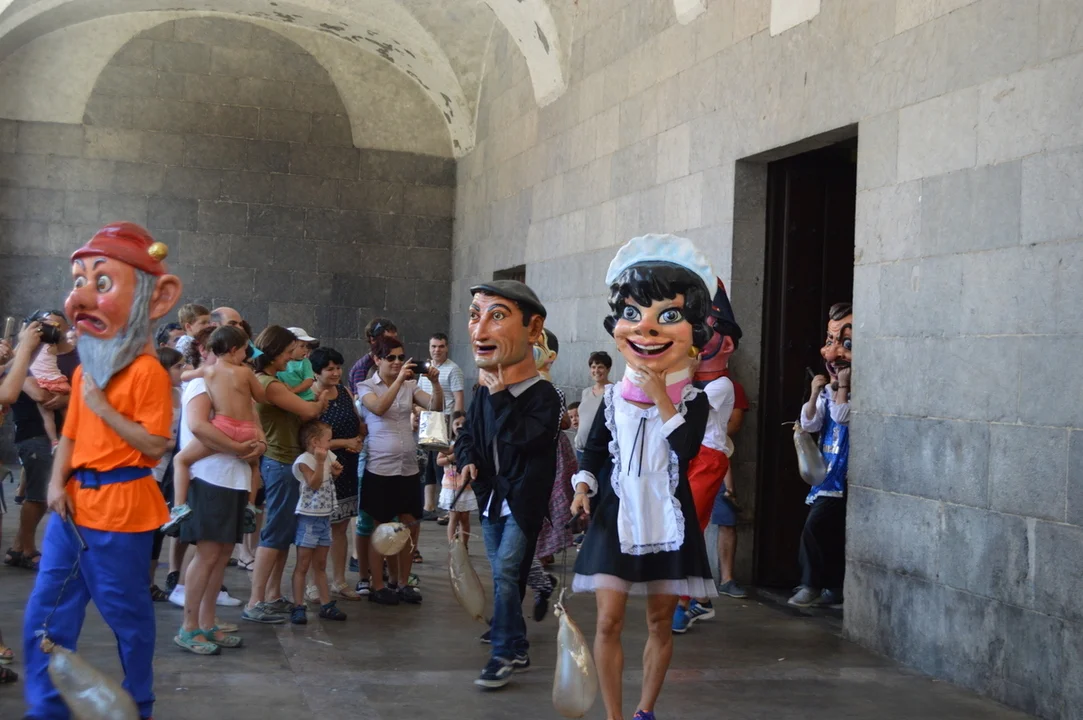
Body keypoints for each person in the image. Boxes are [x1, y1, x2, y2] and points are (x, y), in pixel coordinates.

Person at [21, 222, 181, 720]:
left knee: (128, 618)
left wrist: (104, 409)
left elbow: (155, 444)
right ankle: (47, 709)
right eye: (79, 281)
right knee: (45, 614)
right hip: (72, 507)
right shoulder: (86, 369)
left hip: (121, 510)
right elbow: (70, 435)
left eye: (102, 281)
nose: (82, 296)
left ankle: (139, 705)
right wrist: (55, 484)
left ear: (157, 298)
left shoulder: (147, 373)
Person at [569, 234, 717, 720]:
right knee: (607, 622)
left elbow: (686, 449)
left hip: (669, 518)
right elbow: (594, 448)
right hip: (616, 513)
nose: (646, 327)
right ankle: (614, 715)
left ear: (694, 331)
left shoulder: (694, 400)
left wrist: (660, 397)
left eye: (668, 316)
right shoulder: (612, 396)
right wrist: (583, 486)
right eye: (632, 313)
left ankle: (644, 711)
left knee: (659, 622)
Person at [455, 279, 563, 690]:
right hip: (491, 496)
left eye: (496, 316)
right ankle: (515, 642)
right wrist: (467, 460)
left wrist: (501, 396)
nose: (480, 331)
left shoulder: (544, 396)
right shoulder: (483, 392)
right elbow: (468, 435)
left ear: (533, 329)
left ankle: (502, 651)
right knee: (507, 573)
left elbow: (527, 438)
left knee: (504, 570)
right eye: (474, 316)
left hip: (522, 500)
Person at [174, 333, 265, 654]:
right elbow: (199, 427)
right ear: (204, 349)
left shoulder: (235, 377)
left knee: (222, 555)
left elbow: (253, 419)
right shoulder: (203, 381)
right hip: (210, 478)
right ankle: (189, 626)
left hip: (235, 479)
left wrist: (258, 446)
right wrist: (239, 448)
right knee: (208, 554)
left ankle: (207, 621)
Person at [242, 326, 330, 624]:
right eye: (288, 352)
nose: (292, 358)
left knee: (282, 534)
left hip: (285, 461)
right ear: (274, 353)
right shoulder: (269, 384)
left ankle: (272, 595)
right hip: (279, 462)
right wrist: (320, 401)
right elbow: (308, 411)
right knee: (274, 533)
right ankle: (256, 600)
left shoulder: (272, 381)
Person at [672, 278, 742, 633]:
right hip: (689, 456)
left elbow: (687, 409)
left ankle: (684, 602)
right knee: (687, 527)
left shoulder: (721, 385)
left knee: (688, 528)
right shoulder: (695, 381)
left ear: (725, 344)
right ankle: (699, 598)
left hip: (708, 458)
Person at [356, 335, 443, 605]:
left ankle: (403, 582)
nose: (396, 362)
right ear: (377, 359)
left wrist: (435, 383)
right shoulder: (365, 386)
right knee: (380, 528)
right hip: (380, 467)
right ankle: (377, 585)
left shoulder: (410, 385)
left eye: (400, 357)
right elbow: (379, 408)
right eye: (390, 358)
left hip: (407, 467)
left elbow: (435, 407)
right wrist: (398, 381)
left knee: (409, 527)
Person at [164, 326, 266, 533]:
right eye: (245, 349)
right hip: (248, 429)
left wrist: (187, 370)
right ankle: (250, 504)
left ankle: (179, 506)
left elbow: (185, 376)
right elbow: (261, 397)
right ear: (234, 349)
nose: (246, 354)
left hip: (223, 427)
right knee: (254, 464)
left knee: (181, 460)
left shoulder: (208, 371)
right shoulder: (245, 372)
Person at [0, 313, 78, 573]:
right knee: (36, 495)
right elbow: (12, 393)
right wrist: (23, 348)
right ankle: (24, 548)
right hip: (32, 434)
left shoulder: (67, 356)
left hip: (57, 436)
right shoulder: (29, 359)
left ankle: (19, 548)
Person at [789, 302, 852, 609]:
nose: (832, 353)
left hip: (844, 475)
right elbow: (811, 423)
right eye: (830, 341)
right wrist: (816, 392)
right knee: (828, 531)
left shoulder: (852, 393)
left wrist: (843, 386)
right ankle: (831, 587)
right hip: (827, 474)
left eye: (847, 345)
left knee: (817, 528)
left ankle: (813, 584)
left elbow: (841, 416)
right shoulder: (828, 392)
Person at [308, 347, 364, 602]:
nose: (335, 373)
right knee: (317, 529)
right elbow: (310, 441)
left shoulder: (344, 392)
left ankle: (339, 580)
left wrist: (359, 438)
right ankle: (312, 582)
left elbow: (358, 423)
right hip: (323, 467)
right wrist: (345, 443)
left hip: (347, 466)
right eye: (329, 369)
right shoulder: (310, 396)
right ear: (316, 372)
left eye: (338, 368)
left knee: (340, 527)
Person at [290, 420, 348, 624]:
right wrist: (321, 463)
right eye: (328, 440)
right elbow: (313, 484)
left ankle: (326, 604)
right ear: (315, 442)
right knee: (303, 564)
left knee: (321, 564)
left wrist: (335, 472)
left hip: (324, 517)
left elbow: (328, 478)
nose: (330, 444)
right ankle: (298, 605)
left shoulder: (327, 455)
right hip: (309, 517)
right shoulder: (304, 460)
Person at [711, 366, 749, 599]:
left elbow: (733, 425)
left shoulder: (732, 387)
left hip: (717, 459)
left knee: (726, 517)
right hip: (685, 460)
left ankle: (727, 579)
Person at [418, 332, 466, 519]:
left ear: (447, 348)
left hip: (445, 423)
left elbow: (459, 398)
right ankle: (428, 506)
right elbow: (419, 394)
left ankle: (448, 508)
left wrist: (457, 423)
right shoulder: (425, 369)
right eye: (434, 346)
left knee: (442, 466)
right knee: (428, 466)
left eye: (441, 346)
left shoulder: (453, 369)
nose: (437, 350)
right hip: (426, 422)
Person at [149, 346, 184, 602]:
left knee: (159, 529)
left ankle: (149, 582)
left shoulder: (180, 393)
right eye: (178, 366)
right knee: (148, 529)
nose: (183, 371)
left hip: (171, 470)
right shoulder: (153, 396)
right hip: (152, 468)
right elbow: (152, 438)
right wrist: (175, 444)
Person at [24, 311, 71, 450]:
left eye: (56, 325)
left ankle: (60, 439)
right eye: (47, 326)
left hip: (47, 383)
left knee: (53, 415)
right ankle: (59, 440)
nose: (52, 329)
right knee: (50, 414)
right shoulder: (31, 351)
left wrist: (68, 399)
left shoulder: (79, 354)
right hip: (33, 434)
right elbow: (40, 396)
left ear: (67, 327)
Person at [437, 411, 474, 546]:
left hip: (465, 487)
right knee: (453, 517)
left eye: (463, 424)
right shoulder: (448, 444)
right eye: (456, 424)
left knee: (464, 518)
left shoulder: (470, 443)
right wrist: (451, 458)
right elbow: (439, 461)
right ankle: (452, 546)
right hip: (451, 486)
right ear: (451, 426)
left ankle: (464, 546)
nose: (459, 427)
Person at [575, 351, 613, 465]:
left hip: (602, 453)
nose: (596, 371)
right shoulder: (586, 392)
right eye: (593, 367)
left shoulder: (614, 392)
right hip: (581, 451)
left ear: (608, 369)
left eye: (600, 367)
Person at [279, 327, 318, 400]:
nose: (306, 350)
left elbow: (308, 381)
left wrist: (293, 390)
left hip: (305, 399)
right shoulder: (279, 362)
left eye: (307, 346)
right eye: (302, 346)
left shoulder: (305, 362)